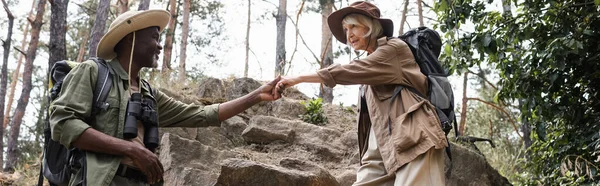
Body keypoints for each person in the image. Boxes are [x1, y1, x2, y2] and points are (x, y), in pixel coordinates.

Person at [50, 9, 281, 186]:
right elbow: (63, 124)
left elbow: (201, 114)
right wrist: (132, 150)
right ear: (130, 38)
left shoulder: (149, 93)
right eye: (154, 37)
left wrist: (257, 96)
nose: (160, 46)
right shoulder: (92, 71)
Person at [274, 1, 447, 185]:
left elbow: (347, 71)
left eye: (354, 26)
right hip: (383, 144)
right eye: (346, 29)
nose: (349, 34)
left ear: (371, 26)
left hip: (415, 137)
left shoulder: (393, 50)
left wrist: (296, 79)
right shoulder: (370, 64)